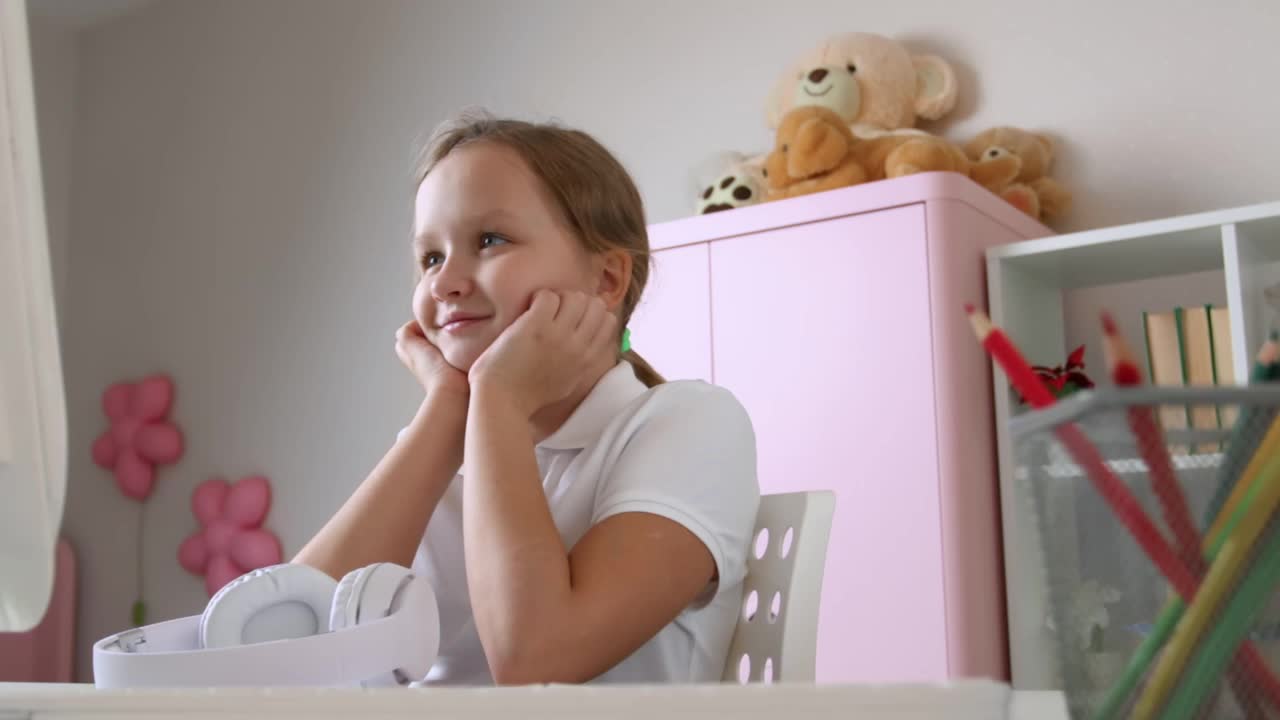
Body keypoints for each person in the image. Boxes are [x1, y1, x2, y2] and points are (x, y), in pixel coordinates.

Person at [295, 110, 760, 685]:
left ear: (608, 280)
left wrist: (497, 397)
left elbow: (536, 661)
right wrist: (446, 410)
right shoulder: (448, 441)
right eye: (431, 257)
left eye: (490, 241)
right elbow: (277, 647)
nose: (443, 283)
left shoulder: (690, 424)